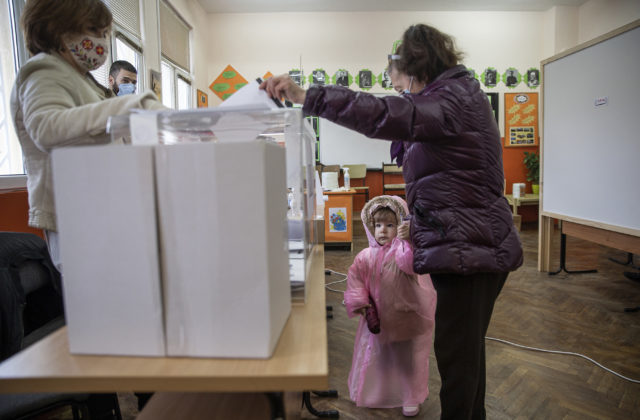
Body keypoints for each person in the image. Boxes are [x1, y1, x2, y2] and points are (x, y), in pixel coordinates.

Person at [261, 23, 523, 420]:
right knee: (466, 355)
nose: (394, 86)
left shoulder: (450, 100)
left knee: (459, 361)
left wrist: (306, 95)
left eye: (395, 76)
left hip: (471, 250)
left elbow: (385, 113)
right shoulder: (453, 96)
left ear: (415, 66)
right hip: (467, 245)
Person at [10, 0, 164, 272]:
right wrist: (131, 106)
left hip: (95, 208)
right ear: (57, 27)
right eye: (92, 29)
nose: (100, 40)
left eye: (104, 32)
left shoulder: (78, 77)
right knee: (100, 299)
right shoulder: (44, 69)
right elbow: (46, 127)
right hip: (73, 213)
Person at [344, 195, 436, 417]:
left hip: (405, 319)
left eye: (390, 225)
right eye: (377, 225)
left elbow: (412, 265)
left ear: (400, 226)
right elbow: (355, 280)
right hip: (377, 321)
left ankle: (410, 397)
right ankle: (378, 393)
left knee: (407, 362)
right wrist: (362, 304)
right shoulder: (365, 256)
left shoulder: (402, 252)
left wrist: (409, 240)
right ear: (370, 227)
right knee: (379, 359)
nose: (382, 230)